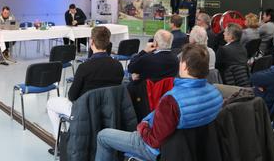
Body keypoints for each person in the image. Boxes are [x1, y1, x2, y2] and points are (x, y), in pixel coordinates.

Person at [95, 44, 223, 161]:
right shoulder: (216, 94)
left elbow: (153, 141)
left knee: (103, 135)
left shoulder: (172, 100)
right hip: (189, 148)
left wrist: (143, 126)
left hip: (156, 148)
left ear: (184, 65)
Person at [46, 26, 124, 155]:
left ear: (91, 42)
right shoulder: (118, 66)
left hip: (85, 111)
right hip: (108, 109)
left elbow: (72, 96)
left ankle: (61, 144)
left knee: (51, 104)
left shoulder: (84, 67)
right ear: (108, 43)